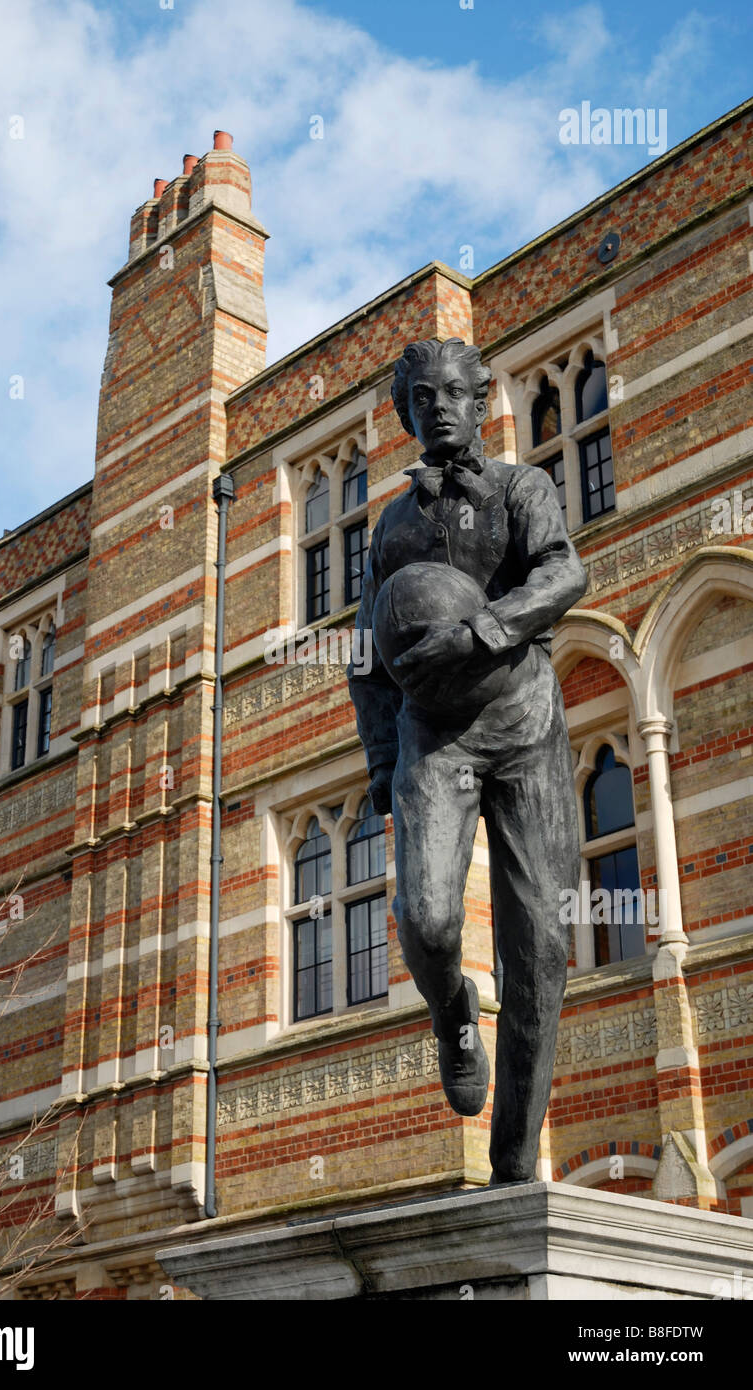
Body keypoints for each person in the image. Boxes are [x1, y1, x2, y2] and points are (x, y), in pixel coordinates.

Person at [347, 337, 588, 1185]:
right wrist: (381, 753)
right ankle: (454, 1013)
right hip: (432, 735)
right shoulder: (389, 525)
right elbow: (363, 653)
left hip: (522, 725)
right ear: (406, 413)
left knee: (542, 948)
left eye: (454, 392)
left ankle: (515, 1165)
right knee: (428, 922)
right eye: (422, 396)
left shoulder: (524, 489)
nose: (439, 406)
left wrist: (481, 629)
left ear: (478, 400)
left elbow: (564, 572)